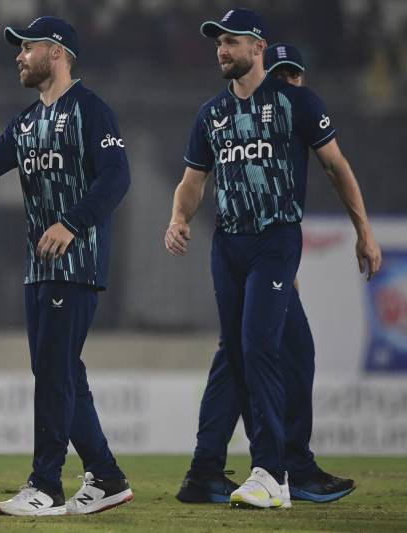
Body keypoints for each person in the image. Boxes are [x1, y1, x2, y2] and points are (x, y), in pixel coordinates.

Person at [165, 9, 381, 509]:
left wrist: (364, 232)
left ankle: (272, 472)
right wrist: (178, 218)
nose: (221, 49)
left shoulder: (296, 102)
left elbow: (336, 166)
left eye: (231, 42)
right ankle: (277, 469)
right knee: (243, 354)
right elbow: (192, 182)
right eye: (217, 42)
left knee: (259, 344)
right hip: (228, 245)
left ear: (258, 47)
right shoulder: (209, 115)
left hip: (276, 240)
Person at [0, 16, 133, 516]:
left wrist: (72, 223)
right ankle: (106, 477)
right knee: (58, 371)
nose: (18, 55)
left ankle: (47, 486)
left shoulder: (91, 110)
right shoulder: (25, 121)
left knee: (54, 373)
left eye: (26, 47)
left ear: (57, 52)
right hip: (39, 268)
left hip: (75, 263)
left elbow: (116, 177)